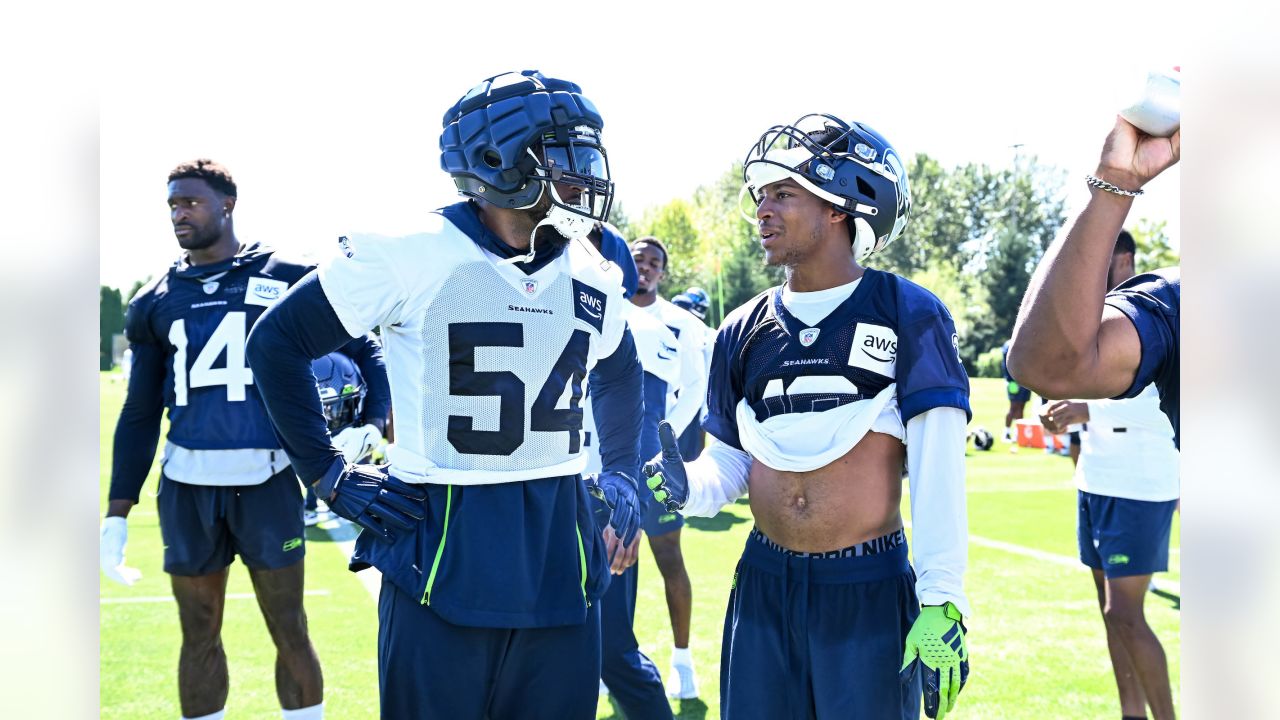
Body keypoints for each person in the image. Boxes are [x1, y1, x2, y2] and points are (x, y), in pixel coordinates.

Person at [244, 70, 645, 720]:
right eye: (565, 151)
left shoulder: (592, 272)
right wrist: (327, 474)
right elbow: (277, 342)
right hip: (442, 547)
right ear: (498, 157)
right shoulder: (410, 253)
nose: (586, 171)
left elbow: (621, 373)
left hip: (560, 550)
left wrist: (623, 476)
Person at [644, 114, 971, 719]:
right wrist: (688, 484)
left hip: (866, 586)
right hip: (764, 581)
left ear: (842, 207)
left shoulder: (909, 313)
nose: (762, 211)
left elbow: (939, 468)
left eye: (783, 193)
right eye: (761, 196)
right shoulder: (740, 328)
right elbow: (732, 462)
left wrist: (943, 599)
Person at [100, 159, 386, 720]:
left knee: (289, 627)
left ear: (226, 204)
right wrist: (117, 511)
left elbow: (366, 349)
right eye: (172, 204)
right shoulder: (156, 298)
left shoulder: (285, 274)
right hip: (187, 483)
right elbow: (139, 412)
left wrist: (371, 424)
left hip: (269, 477)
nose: (179, 213)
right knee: (197, 631)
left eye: (190, 202)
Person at [1038, 229, 1178, 720]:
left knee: (1125, 613)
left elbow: (1168, 403)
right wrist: (1060, 412)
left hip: (1141, 486)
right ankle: (1130, 713)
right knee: (1110, 613)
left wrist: (1086, 412)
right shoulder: (1097, 317)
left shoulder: (1160, 311)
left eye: (1098, 260)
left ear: (1124, 259)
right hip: (1097, 481)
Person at [1007, 117, 1180, 447]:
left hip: (1145, 482)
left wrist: (1089, 411)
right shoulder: (1177, 302)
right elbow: (1047, 366)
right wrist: (1114, 184)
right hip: (1103, 475)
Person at [583, 221, 676, 719]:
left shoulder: (637, 328)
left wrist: (625, 508)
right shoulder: (532, 303)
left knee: (612, 649)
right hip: (540, 499)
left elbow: (648, 423)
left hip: (601, 503)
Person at [629, 236, 708, 699]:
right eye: (639, 259)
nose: (645, 267)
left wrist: (660, 443)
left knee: (669, 558)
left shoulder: (682, 323)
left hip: (654, 464)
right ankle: (609, 657)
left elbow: (694, 392)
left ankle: (682, 660)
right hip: (602, 463)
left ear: (663, 272)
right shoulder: (602, 307)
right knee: (601, 564)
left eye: (654, 262)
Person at [304, 350, 392, 526]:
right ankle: (314, 505)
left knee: (358, 460)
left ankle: (353, 500)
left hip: (357, 427)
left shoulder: (365, 354)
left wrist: (374, 425)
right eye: (324, 410)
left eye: (338, 410)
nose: (331, 417)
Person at [671, 287, 717, 462]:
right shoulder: (671, 326)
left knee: (686, 460)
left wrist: (706, 412)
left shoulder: (707, 334)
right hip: (672, 397)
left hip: (693, 403)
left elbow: (709, 374)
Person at [999, 340, 1031, 445]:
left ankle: (1018, 434)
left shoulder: (1024, 343)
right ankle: (1006, 433)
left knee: (1021, 408)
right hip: (1013, 382)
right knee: (1013, 408)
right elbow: (1007, 365)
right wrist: (1011, 380)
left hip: (1025, 380)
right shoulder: (1008, 345)